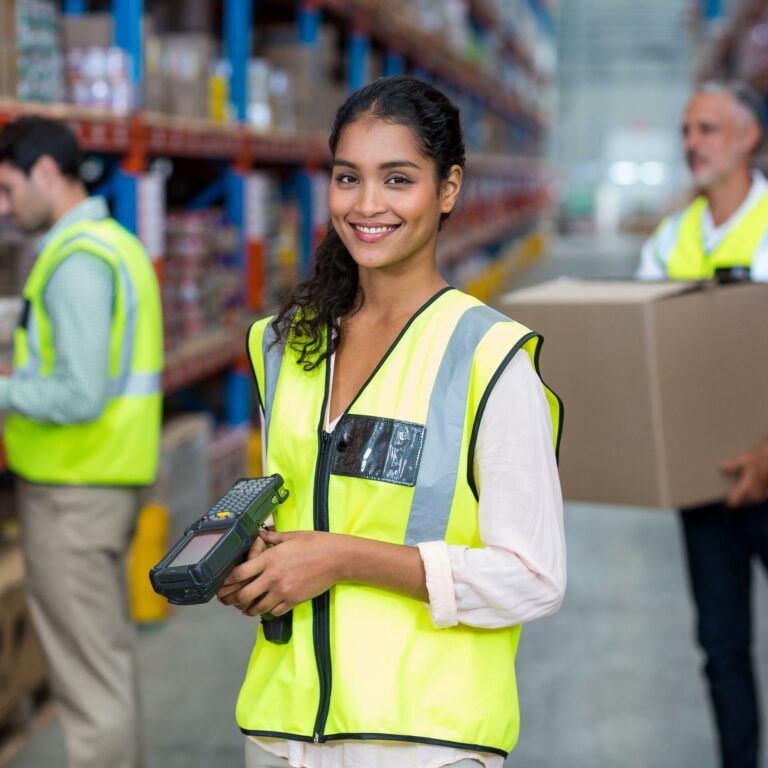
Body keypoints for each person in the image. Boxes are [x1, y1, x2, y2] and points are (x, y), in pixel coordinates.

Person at [217, 76, 566, 768]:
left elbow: (533, 577)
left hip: (422, 740)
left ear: (449, 189)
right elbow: (301, 505)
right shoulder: (285, 346)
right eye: (348, 178)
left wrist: (344, 557)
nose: (367, 205)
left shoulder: (487, 359)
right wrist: (256, 563)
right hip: (282, 731)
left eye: (397, 179)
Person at [0, 116, 163, 768]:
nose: (5, 207)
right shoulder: (108, 245)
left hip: (76, 491)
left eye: (9, 191)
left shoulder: (77, 263)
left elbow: (79, 394)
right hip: (100, 482)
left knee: (91, 687)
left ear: (46, 172)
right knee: (103, 662)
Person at [637, 81, 768, 768]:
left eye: (708, 129)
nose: (692, 143)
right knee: (721, 649)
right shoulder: (670, 240)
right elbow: (644, 351)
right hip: (704, 482)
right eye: (687, 130)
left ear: (749, 136)